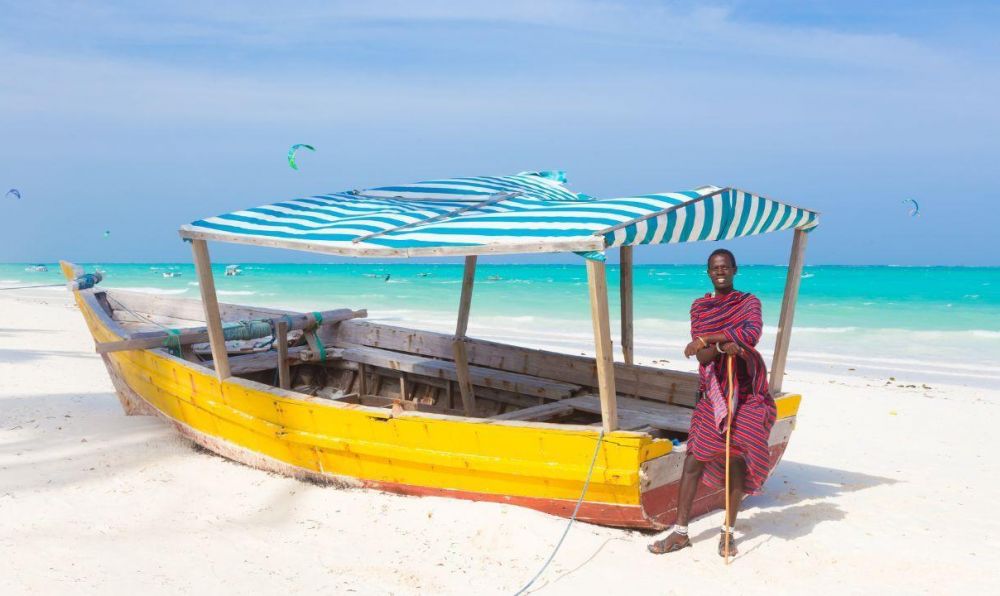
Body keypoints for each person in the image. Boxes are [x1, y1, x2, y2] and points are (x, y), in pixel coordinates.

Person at [648, 248, 776, 557]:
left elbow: (751, 334)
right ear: (708, 272)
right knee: (693, 461)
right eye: (715, 268)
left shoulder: (749, 302)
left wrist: (708, 339)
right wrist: (719, 347)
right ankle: (680, 533)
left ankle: (728, 533)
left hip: (746, 396)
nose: (720, 272)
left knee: (736, 460)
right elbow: (702, 356)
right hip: (714, 394)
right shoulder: (700, 307)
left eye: (725, 267)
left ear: (735, 269)